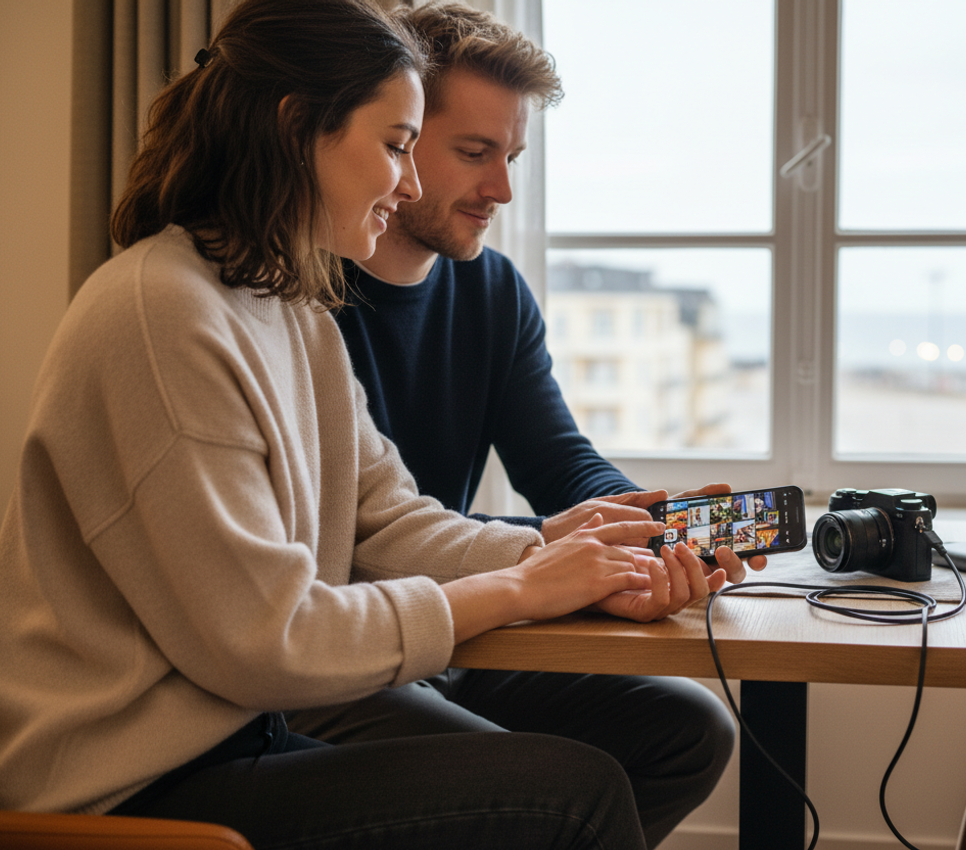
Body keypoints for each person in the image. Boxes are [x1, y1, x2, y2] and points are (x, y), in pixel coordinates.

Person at [0, 2, 723, 848]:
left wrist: (558, 555)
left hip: (239, 728)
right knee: (573, 796)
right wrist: (522, 587)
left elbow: (384, 517)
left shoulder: (289, 308)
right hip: (132, 779)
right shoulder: (162, 313)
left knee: (645, 747)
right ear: (296, 128)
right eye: (393, 146)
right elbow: (264, 641)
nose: (409, 182)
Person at [318, 7, 754, 846]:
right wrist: (558, 551)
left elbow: (558, 460)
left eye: (511, 158)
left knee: (689, 732)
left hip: (457, 629)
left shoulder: (491, 292)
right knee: (568, 796)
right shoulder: (298, 300)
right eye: (475, 154)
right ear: (401, 145)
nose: (502, 191)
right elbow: (357, 541)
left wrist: (646, 530)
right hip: (350, 647)